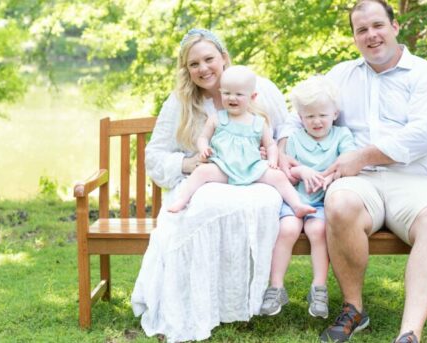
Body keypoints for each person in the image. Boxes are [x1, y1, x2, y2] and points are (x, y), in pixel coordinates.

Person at [279, 1, 427, 342]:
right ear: (355, 37)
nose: (371, 35)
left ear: (395, 26)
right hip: (359, 182)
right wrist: (284, 149)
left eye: (377, 26)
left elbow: (424, 135)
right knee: (339, 204)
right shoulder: (341, 76)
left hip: (414, 178)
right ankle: (354, 309)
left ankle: (410, 332)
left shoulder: (426, 75)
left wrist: (361, 156)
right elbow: (297, 110)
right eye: (362, 30)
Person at [131, 28, 290, 342]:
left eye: (209, 59)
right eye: (194, 64)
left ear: (224, 58)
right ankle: (203, 302)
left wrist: (274, 153)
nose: (203, 68)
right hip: (209, 176)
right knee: (206, 204)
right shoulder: (181, 103)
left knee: (259, 202)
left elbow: (286, 129)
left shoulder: (259, 89)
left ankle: (247, 297)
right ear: (186, 70)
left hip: (252, 176)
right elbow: (156, 155)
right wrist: (189, 164)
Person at [259, 76, 356, 319]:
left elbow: (348, 164)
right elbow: (286, 173)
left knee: (318, 231)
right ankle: (276, 287)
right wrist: (301, 171)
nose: (316, 121)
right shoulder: (293, 139)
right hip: (294, 200)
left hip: (322, 203)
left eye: (322, 115)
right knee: (287, 229)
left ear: (335, 113)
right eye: (309, 116)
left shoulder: (342, 136)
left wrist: (331, 178)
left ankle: (319, 288)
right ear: (300, 118)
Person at [167, 65, 316, 218]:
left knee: (278, 177)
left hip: (252, 168)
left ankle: (297, 205)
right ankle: (182, 200)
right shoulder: (217, 119)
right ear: (221, 93)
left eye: (239, 94)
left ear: (252, 97)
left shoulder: (258, 122)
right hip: (223, 167)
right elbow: (203, 137)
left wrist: (272, 160)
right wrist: (204, 148)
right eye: (227, 93)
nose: (232, 98)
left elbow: (270, 144)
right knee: (201, 172)